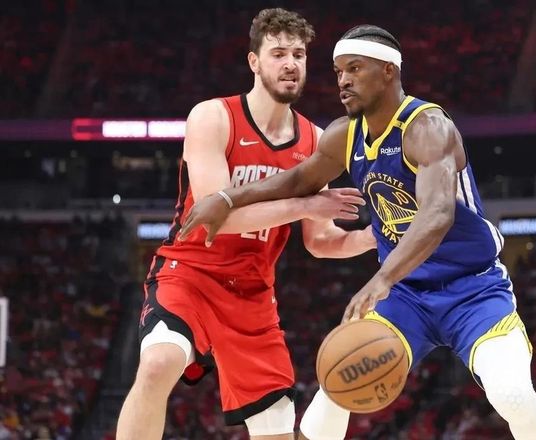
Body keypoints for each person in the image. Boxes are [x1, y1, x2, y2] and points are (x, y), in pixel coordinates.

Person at [179, 24, 536, 440]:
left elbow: (436, 216)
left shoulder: (428, 127)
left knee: (511, 394)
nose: (343, 80)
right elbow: (298, 180)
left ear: (388, 71)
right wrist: (228, 197)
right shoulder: (345, 134)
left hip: (472, 289)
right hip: (407, 296)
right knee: (336, 385)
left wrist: (382, 278)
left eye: (355, 68)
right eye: (339, 71)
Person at [116, 9, 376, 440]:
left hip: (254, 294)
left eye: (298, 54)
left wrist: (372, 238)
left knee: (276, 429)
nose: (290, 64)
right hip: (191, 275)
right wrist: (306, 204)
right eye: (278, 53)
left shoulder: (316, 140)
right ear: (254, 61)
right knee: (158, 363)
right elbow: (217, 217)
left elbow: (320, 240)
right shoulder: (213, 117)